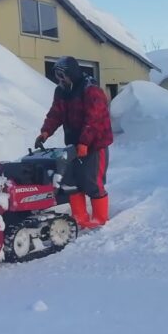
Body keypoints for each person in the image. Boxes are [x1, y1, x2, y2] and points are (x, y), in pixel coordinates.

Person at [35, 56, 113, 229]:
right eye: (57, 76)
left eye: (62, 75)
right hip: (73, 144)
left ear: (72, 73)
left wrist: (85, 142)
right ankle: (79, 217)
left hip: (94, 144)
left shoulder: (90, 90)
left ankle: (100, 220)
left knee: (91, 182)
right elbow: (56, 113)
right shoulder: (62, 91)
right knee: (71, 181)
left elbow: (94, 119)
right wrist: (45, 132)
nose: (60, 79)